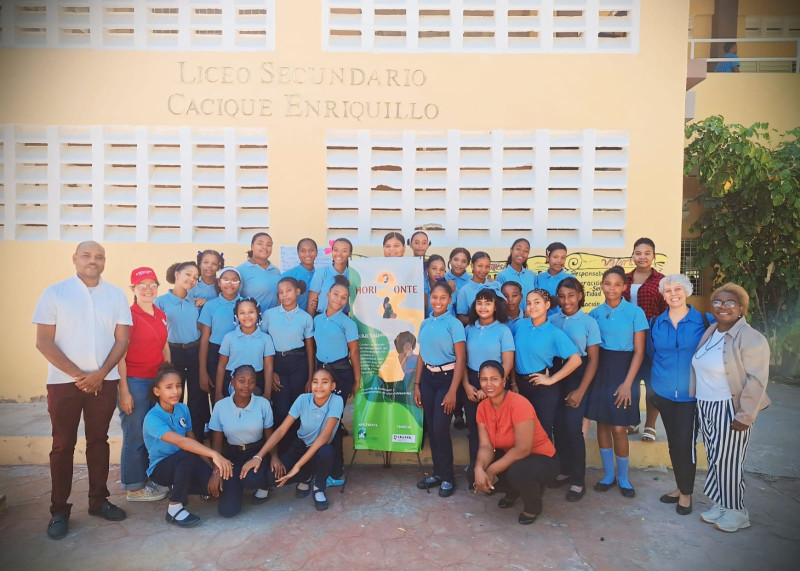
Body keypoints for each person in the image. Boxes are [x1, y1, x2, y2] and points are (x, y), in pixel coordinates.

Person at [33, 241, 133, 540]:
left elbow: (122, 340)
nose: (93, 261)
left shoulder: (115, 295)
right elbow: (44, 342)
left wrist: (100, 374)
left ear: (105, 261)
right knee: (62, 445)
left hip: (104, 381)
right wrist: (80, 375)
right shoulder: (54, 293)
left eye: (99, 256)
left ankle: (98, 500)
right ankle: (59, 510)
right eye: (87, 256)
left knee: (98, 440)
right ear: (75, 258)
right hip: (64, 383)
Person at [692, 283, 770, 532]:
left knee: (730, 461)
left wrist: (745, 415)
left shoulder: (751, 338)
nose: (722, 307)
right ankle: (721, 504)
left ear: (741, 308)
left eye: (729, 303)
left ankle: (737, 511)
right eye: (717, 302)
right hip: (707, 404)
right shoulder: (712, 331)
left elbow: (756, 380)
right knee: (715, 458)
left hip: (730, 408)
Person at [648, 274, 713, 516]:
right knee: (674, 444)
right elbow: (651, 354)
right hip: (664, 394)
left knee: (685, 445)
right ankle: (679, 486)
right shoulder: (656, 322)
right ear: (662, 295)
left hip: (691, 396)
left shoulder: (705, 321)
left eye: (677, 289)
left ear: (686, 291)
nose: (673, 293)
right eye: (667, 290)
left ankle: (686, 494)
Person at [240, 368, 344, 511]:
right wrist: (259, 456)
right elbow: (282, 430)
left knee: (327, 452)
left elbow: (324, 437)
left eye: (324, 382)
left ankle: (318, 487)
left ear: (332, 386)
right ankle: (306, 476)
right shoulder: (303, 399)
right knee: (272, 478)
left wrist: (297, 466)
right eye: (315, 382)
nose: (319, 386)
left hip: (319, 449)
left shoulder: (336, 401)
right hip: (300, 446)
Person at [143, 363, 234, 527]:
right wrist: (215, 454)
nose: (176, 391)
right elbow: (182, 442)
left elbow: (193, 440)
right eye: (169, 387)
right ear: (157, 391)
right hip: (161, 469)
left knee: (218, 485)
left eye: (178, 386)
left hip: (185, 462)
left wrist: (213, 470)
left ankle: (190, 488)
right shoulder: (152, 418)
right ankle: (174, 508)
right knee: (185, 453)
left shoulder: (183, 409)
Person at [586, 266, 649, 498]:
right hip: (601, 370)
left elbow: (639, 352)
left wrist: (627, 383)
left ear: (624, 287)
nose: (612, 288)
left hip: (625, 371)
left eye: (617, 284)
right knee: (602, 424)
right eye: (607, 283)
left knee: (619, 428)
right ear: (601, 285)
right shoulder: (594, 314)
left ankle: (623, 478)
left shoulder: (635, 313)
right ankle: (608, 476)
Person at [473, 360, 559, 525]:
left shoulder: (519, 403)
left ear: (504, 381)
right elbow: (485, 446)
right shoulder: (482, 408)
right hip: (513, 456)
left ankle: (533, 506)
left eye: (494, 379)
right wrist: (479, 469)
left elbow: (523, 449)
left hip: (543, 459)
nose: (488, 384)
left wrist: (491, 470)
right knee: (474, 473)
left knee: (518, 472)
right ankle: (513, 491)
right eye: (484, 379)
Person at [117, 267, 171, 502]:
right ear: (133, 289)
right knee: (135, 435)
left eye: (152, 284)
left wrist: (169, 372)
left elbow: (164, 344)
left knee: (152, 434)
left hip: (155, 382)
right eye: (142, 285)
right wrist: (124, 391)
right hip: (135, 382)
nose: (148, 289)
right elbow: (119, 354)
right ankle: (134, 487)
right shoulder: (127, 316)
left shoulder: (160, 314)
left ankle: (147, 479)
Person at [549, 277, 601, 501]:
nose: (566, 300)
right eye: (561, 296)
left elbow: (593, 360)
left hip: (578, 376)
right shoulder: (551, 320)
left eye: (571, 295)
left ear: (580, 295)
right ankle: (564, 470)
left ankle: (578, 479)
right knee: (557, 426)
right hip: (555, 374)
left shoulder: (589, 323)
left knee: (573, 427)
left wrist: (581, 390)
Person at [414, 282, 467, 497]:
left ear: (450, 300)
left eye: (442, 298)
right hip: (427, 378)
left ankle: (448, 477)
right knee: (432, 430)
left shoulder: (454, 325)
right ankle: (437, 472)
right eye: (434, 297)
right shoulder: (425, 324)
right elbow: (421, 356)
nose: (438, 301)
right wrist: (417, 385)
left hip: (447, 379)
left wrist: (453, 390)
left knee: (440, 429)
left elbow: (461, 357)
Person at [462, 289, 515, 489]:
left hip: (497, 384)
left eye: (488, 303)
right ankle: (477, 472)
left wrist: (491, 387)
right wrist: (467, 385)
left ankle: (498, 475)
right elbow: (462, 361)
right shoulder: (469, 329)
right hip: (473, 384)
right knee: (475, 431)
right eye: (479, 303)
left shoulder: (503, 330)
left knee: (499, 431)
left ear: (495, 306)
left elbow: (508, 362)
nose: (483, 307)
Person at [513, 289, 581, 440]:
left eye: (537, 303)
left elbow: (576, 360)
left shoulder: (554, 332)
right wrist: (512, 383)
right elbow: (511, 354)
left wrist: (551, 379)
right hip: (519, 385)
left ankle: (546, 463)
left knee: (541, 432)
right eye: (529, 303)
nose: (532, 307)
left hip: (541, 388)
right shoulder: (520, 325)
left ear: (547, 305)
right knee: (520, 430)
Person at [208, 365, 276, 517]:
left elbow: (270, 436)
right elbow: (217, 442)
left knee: (251, 480)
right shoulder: (221, 406)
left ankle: (262, 484)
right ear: (232, 382)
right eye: (242, 381)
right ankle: (236, 483)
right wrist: (217, 470)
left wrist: (274, 457)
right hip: (232, 456)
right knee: (227, 511)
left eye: (251, 381)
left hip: (256, 453)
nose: (246, 386)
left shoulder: (263, 404)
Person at [154, 261, 206, 440]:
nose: (192, 280)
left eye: (195, 278)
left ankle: (197, 441)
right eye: (188, 275)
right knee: (174, 397)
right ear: (177, 274)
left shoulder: (196, 302)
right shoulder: (160, 302)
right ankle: (175, 439)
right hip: (172, 353)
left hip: (194, 352)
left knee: (197, 399)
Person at [622, 237, 667, 441]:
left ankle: (650, 425)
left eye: (647, 253)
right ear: (633, 255)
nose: (642, 257)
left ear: (653, 256)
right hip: (626, 338)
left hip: (651, 339)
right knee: (629, 381)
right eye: (638, 253)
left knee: (651, 382)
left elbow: (666, 312)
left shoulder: (662, 281)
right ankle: (632, 421)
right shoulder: (624, 279)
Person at [263, 277, 315, 449]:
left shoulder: (306, 318)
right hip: (277, 363)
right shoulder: (269, 315)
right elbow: (264, 342)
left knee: (297, 407)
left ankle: (296, 451)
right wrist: (270, 373)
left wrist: (310, 377)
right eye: (281, 292)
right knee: (281, 408)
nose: (285, 295)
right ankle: (281, 451)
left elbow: (309, 349)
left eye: (289, 290)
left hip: (299, 363)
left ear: (298, 292)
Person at [215, 297, 275, 400]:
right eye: (242, 313)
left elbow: (268, 367)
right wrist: (218, 393)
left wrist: (267, 393)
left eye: (251, 312)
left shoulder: (266, 339)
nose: (247, 316)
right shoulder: (229, 337)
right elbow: (221, 365)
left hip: (256, 382)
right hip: (232, 382)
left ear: (258, 313)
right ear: (236, 315)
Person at [198, 267, 241, 403]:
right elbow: (205, 339)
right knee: (219, 398)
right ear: (219, 283)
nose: (230, 284)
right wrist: (203, 371)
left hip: (240, 352)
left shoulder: (247, 303)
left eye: (235, 280)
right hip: (215, 354)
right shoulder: (210, 306)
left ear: (240, 283)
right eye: (226, 280)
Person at [307, 237, 352, 315]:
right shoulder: (322, 272)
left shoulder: (353, 274)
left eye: (344, 251)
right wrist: (310, 325)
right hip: (321, 316)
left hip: (343, 317)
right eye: (335, 250)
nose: (339, 254)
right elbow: (311, 301)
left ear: (350, 253)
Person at [238, 232, 281, 311]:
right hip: (251, 321)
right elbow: (235, 298)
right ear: (252, 246)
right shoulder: (241, 271)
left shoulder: (276, 271)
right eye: (260, 243)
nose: (264, 247)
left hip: (271, 321)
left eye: (269, 245)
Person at [456, 251, 502, 325]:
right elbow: (461, 317)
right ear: (472, 265)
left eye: (487, 266)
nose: (484, 270)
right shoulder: (464, 290)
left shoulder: (496, 285)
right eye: (480, 266)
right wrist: (480, 321)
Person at [496, 238, 537, 312]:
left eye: (526, 251)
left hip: (530, 319)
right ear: (511, 250)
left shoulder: (532, 275)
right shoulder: (502, 275)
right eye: (518, 249)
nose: (521, 253)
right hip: (510, 319)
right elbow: (501, 301)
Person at [282, 238, 318, 312]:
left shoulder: (320, 275)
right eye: (303, 251)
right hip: (292, 319)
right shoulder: (288, 276)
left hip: (314, 319)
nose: (308, 254)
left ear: (316, 252)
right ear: (298, 253)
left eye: (311, 250)